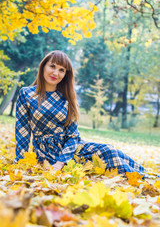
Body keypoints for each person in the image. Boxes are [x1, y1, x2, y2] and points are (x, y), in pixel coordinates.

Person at [14, 50, 146, 176]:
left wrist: (61, 162)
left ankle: (143, 176)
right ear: (43, 66)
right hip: (46, 154)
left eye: (61, 70)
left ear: (66, 74)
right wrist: (21, 163)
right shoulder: (27, 94)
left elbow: (73, 136)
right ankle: (140, 177)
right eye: (52, 66)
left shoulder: (67, 98)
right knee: (109, 153)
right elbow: (22, 132)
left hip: (70, 150)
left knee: (110, 150)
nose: (56, 72)